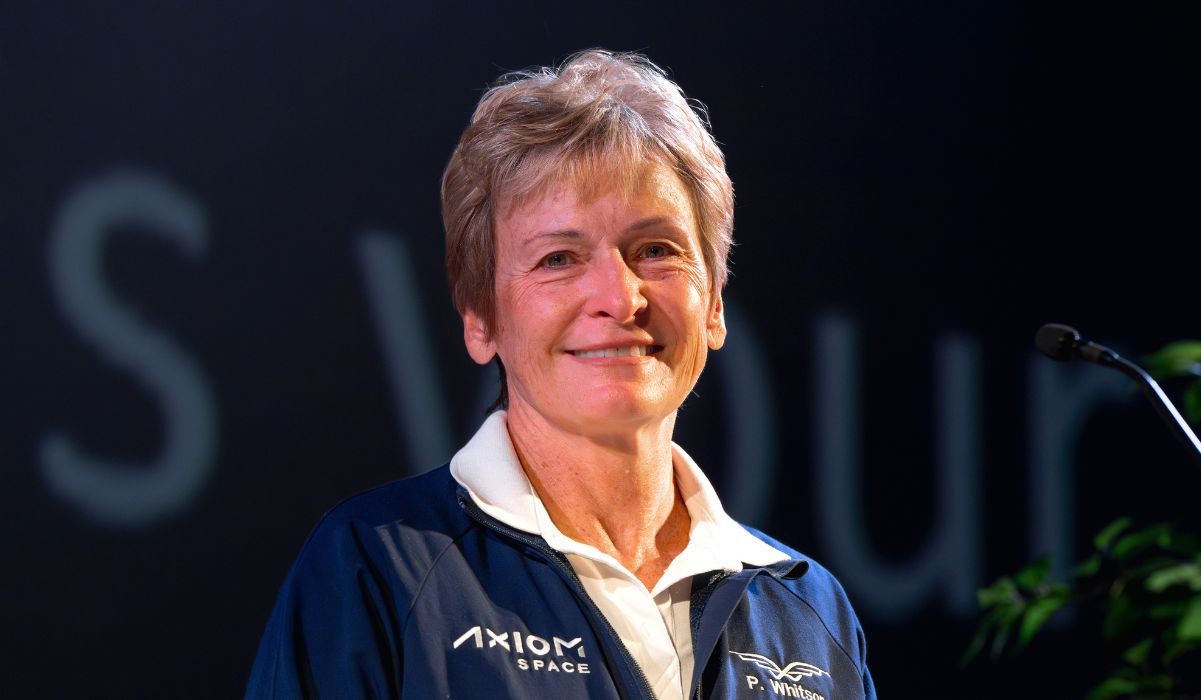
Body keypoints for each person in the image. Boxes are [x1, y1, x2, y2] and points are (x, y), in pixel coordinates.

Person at [246, 49, 876, 700]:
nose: (620, 297)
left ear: (714, 303)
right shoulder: (375, 568)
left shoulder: (810, 614)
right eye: (558, 259)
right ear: (480, 318)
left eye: (655, 250)